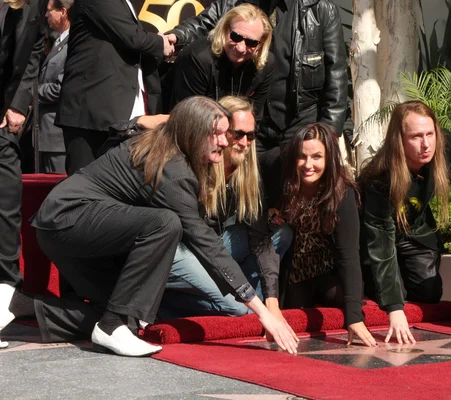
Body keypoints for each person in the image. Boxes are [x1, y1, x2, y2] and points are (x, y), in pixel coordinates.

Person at [6, 96, 299, 357]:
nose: (224, 142)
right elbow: (205, 243)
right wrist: (261, 310)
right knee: (165, 223)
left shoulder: (168, 150)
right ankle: (113, 327)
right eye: (217, 134)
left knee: (119, 311)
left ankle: (16, 305)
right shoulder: (172, 170)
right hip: (67, 220)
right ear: (193, 134)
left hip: (68, 227)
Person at [359, 100, 451, 345]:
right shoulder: (380, 176)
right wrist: (394, 308)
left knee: (429, 293)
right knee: (396, 295)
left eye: (429, 134)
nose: (426, 144)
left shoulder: (443, 147)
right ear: (399, 140)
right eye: (415, 137)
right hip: (374, 237)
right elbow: (381, 240)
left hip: (416, 230)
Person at [160, 96, 292, 322]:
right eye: (238, 134)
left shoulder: (248, 173)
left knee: (281, 234)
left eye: (250, 136)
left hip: (215, 246)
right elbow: (198, 240)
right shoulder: (196, 163)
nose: (244, 142)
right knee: (238, 309)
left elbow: (260, 239)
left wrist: (272, 302)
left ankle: (255, 310)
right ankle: (162, 307)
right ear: (219, 132)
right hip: (180, 252)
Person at [165, 0, 347, 156]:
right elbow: (205, 22)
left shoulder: (321, 9)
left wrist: (329, 132)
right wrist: (177, 36)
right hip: (252, 121)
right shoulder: (235, 2)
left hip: (300, 121)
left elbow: (336, 72)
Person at [272, 123, 377, 347]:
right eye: (302, 157)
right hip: (293, 274)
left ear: (329, 158)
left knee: (350, 296)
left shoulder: (342, 192)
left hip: (328, 273)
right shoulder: (283, 183)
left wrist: (354, 317)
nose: (308, 165)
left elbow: (348, 255)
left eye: (317, 157)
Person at [55, 0, 174, 175]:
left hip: (114, 112)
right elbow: (133, 37)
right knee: (84, 187)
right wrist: (160, 43)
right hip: (90, 115)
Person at [0, 0, 45, 349]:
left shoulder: (31, 6)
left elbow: (32, 51)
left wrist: (18, 103)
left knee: (6, 200)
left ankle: (4, 291)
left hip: (4, 111)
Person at [168, 4, 274, 122]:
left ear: (261, 43)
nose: (241, 48)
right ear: (224, 29)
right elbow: (188, 120)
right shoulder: (197, 58)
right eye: (235, 36)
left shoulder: (265, 64)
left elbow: (254, 120)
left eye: (251, 42)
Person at [35, 0, 72, 173]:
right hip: (47, 137)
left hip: (57, 138)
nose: (46, 15)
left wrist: (31, 92)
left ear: (63, 12)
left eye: (50, 11)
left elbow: (61, 88)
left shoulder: (73, 44)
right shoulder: (59, 42)